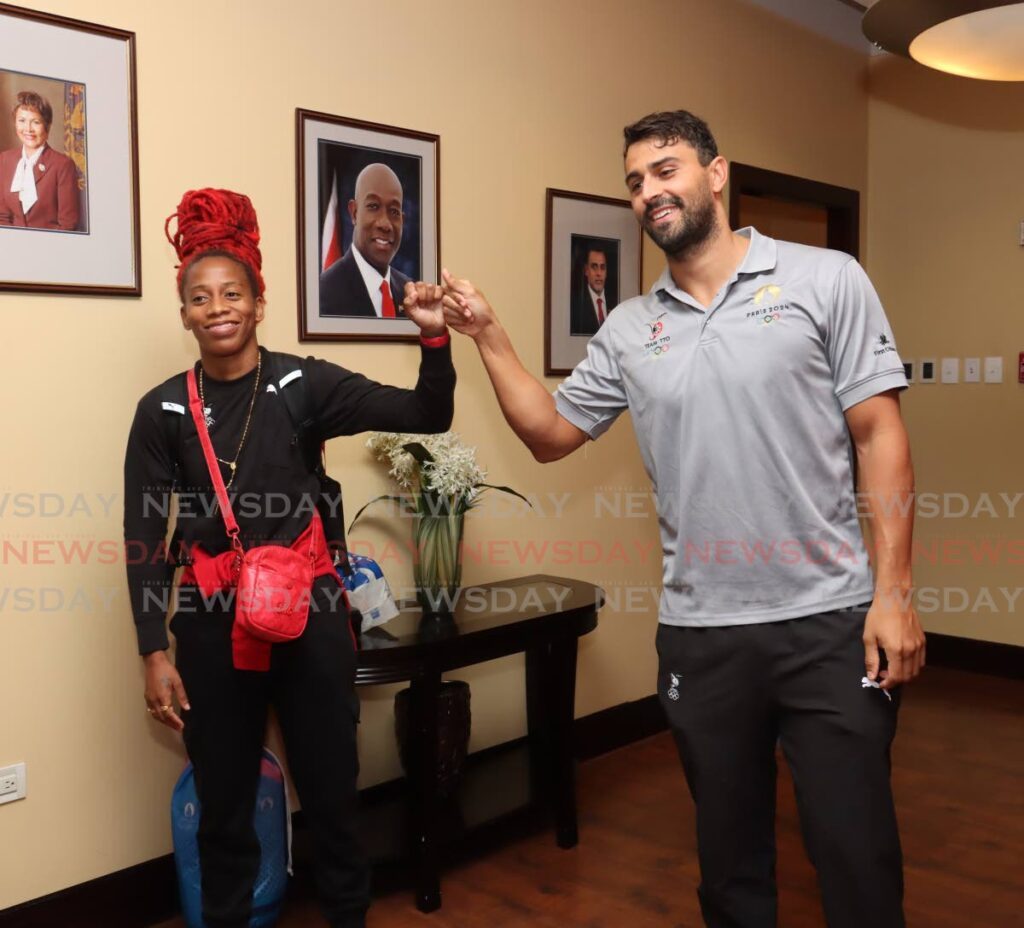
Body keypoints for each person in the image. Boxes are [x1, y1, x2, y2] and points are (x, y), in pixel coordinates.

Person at [440, 110, 924, 928]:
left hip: (831, 623)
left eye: (665, 169)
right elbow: (552, 434)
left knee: (856, 855)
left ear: (716, 173)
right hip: (702, 636)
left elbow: (880, 435)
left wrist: (895, 593)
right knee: (729, 867)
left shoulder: (825, 278)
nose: (648, 192)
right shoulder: (631, 329)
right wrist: (488, 336)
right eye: (634, 181)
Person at [123, 187, 454, 928]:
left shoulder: (304, 384)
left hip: (310, 621)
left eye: (232, 292)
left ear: (259, 300)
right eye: (199, 297)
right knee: (225, 810)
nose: (217, 308)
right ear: (184, 313)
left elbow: (427, 414)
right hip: (211, 628)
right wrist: (153, 649)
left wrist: (433, 339)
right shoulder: (162, 411)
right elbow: (144, 532)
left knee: (334, 801)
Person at [319, 162, 411, 318]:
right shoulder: (324, 292)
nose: (385, 224)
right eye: (374, 206)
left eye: (394, 211)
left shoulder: (410, 293)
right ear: (354, 213)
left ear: (402, 220)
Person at [0, 90, 79, 230]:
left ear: (47, 126)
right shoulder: (5, 160)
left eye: (36, 122)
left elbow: (68, 224)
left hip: (50, 248)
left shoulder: (63, 165)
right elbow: (2, 217)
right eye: (22, 121)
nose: (28, 129)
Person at [569, 244, 614, 335]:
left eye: (602, 267)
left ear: (606, 272)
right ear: (586, 270)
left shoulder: (616, 303)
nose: (599, 273)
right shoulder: (575, 306)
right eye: (594, 267)